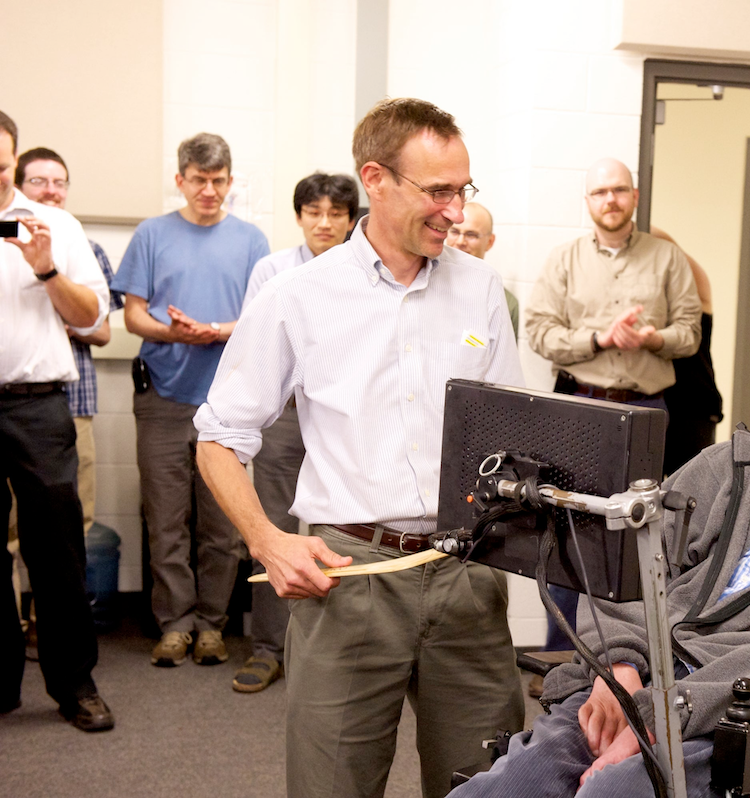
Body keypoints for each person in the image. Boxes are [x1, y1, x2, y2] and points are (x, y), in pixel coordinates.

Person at [194, 98, 525, 798]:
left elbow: (508, 438)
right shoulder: (297, 297)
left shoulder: (482, 290)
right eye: (438, 191)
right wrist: (267, 541)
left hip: (466, 571)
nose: (456, 211)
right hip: (349, 574)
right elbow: (220, 439)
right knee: (332, 784)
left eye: (463, 190)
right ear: (375, 180)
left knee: (489, 783)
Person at [447, 343, 750, 798]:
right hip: (635, 675)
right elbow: (628, 568)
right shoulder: (729, 470)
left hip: (735, 721)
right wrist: (617, 668)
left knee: (615, 791)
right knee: (519, 780)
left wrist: (665, 713)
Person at [111, 133, 270, 668]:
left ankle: (211, 625)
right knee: (166, 518)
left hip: (227, 404)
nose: (209, 190)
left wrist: (216, 330)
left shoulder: (251, 241)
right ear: (179, 180)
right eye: (198, 180)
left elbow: (261, 320)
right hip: (162, 396)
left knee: (223, 524)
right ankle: (174, 624)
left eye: (218, 181)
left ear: (229, 181)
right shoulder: (152, 235)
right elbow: (132, 317)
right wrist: (177, 333)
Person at [0, 110, 114, 731]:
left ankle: (75, 686)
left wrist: (45, 268)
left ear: (13, 162)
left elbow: (92, 314)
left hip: (36, 404)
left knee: (57, 552)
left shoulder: (56, 224)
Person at [231, 172, 358, 694]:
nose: (324, 223)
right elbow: (255, 348)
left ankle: (348, 650)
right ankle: (267, 647)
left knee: (348, 530)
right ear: (299, 215)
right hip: (285, 415)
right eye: (313, 212)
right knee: (276, 525)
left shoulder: (365, 273)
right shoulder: (273, 270)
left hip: (344, 418)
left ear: (352, 220)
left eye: (335, 214)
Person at [525, 157, 701, 417]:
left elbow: (691, 333)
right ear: (587, 202)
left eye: (619, 190)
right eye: (599, 192)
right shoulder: (562, 259)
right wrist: (598, 340)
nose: (610, 199)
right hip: (578, 403)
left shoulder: (669, 256)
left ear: (635, 196)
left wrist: (653, 340)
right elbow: (539, 333)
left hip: (648, 407)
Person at [15, 147, 125, 536]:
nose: (51, 191)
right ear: (18, 185)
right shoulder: (7, 242)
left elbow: (102, 330)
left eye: (59, 183)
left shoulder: (83, 246)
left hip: (69, 404)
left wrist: (56, 321)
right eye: (39, 182)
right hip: (13, 396)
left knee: (69, 525)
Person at [650, 226, 723, 476]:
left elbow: (663, 240)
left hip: (693, 407)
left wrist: (636, 228)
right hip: (654, 404)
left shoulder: (692, 291)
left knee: (692, 496)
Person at [446, 201, 520, 337]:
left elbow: (505, 357)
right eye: (454, 232)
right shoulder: (422, 285)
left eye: (471, 235)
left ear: (490, 242)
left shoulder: (504, 303)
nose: (461, 241)